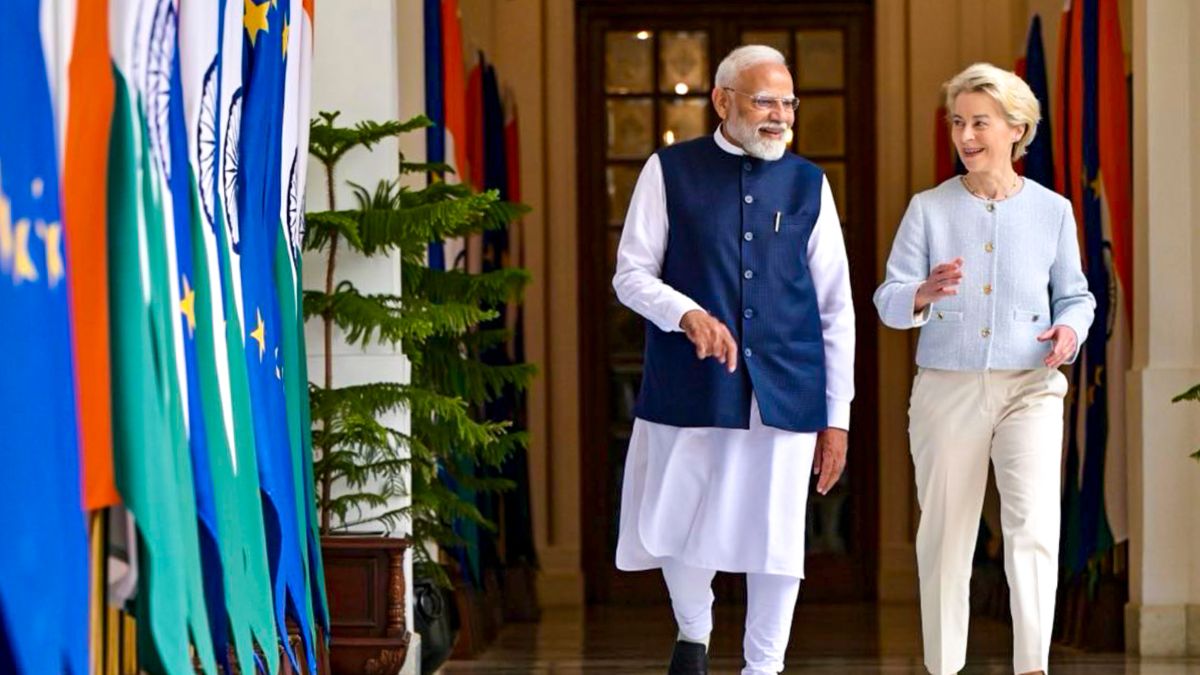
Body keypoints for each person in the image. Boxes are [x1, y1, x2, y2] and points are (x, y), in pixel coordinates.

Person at [612, 44, 855, 675]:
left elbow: (836, 308)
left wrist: (838, 417)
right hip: (692, 383)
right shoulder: (668, 170)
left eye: (787, 103)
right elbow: (631, 275)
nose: (779, 116)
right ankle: (694, 633)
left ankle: (763, 667)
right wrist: (685, 313)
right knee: (678, 521)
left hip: (788, 389)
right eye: (764, 101)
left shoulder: (809, 183)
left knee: (777, 540)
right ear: (723, 101)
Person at [873, 62, 1096, 675]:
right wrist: (921, 291)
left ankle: (1033, 668)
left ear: (1016, 128)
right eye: (957, 122)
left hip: (1031, 386)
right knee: (946, 537)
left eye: (979, 122)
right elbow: (888, 300)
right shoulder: (928, 208)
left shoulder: (1053, 211)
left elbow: (1076, 294)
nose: (965, 135)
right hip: (948, 388)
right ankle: (944, 668)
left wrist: (1069, 330)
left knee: (1033, 529)